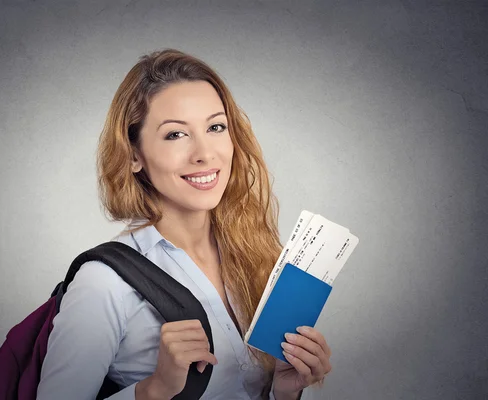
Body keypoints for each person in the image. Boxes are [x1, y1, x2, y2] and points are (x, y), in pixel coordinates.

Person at [36, 49, 332, 400]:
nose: (205, 153)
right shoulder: (103, 282)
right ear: (133, 155)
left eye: (215, 127)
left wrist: (286, 392)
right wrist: (153, 389)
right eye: (176, 135)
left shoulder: (258, 256)